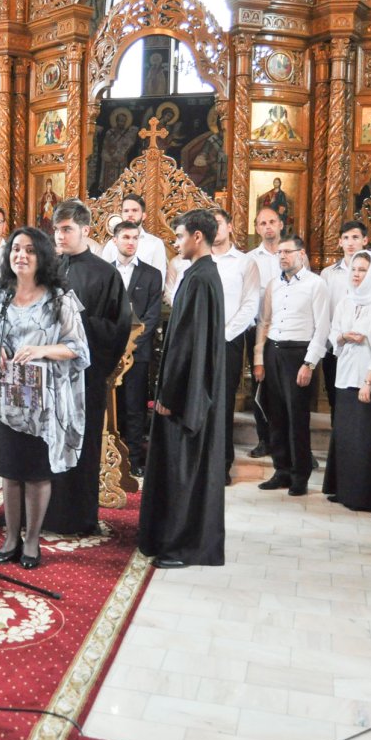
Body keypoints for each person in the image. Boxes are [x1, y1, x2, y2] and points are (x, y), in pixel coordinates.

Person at [0, 227, 89, 569]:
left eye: (29, 251)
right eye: (16, 249)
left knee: (36, 473)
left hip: (43, 401)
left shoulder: (59, 299)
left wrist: (42, 350)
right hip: (6, 397)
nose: (21, 255)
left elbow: (78, 349)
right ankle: (10, 537)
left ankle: (33, 540)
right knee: (9, 470)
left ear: (42, 257)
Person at [139, 209, 227, 568]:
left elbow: (188, 345)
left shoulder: (201, 279)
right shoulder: (201, 275)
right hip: (190, 391)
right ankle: (172, 539)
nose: (176, 244)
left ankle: (180, 545)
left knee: (182, 470)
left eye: (179, 237)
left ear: (197, 237)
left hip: (187, 396)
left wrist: (170, 397)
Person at [49, 199, 132, 534]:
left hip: (85, 376)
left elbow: (118, 328)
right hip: (48, 376)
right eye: (56, 229)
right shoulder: (46, 269)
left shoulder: (105, 273)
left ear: (85, 230)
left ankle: (77, 518)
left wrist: (78, 320)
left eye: (67, 229)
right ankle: (43, 514)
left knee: (79, 447)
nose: (59, 236)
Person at [253, 235, 330, 496]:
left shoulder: (315, 284)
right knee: (276, 416)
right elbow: (265, 322)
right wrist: (260, 359)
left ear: (301, 253)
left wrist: (309, 363)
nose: (283, 256)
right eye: (279, 253)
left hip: (298, 354)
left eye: (288, 252)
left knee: (297, 418)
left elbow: (322, 328)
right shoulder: (275, 284)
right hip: (274, 350)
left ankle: (300, 474)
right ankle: (281, 470)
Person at [321, 251, 371, 511]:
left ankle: (366, 495)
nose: (356, 274)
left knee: (366, 439)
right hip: (345, 376)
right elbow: (333, 335)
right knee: (346, 437)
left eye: (363, 270)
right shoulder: (346, 301)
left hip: (369, 381)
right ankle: (344, 489)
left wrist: (369, 380)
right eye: (354, 269)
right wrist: (344, 336)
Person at [210, 210, 262, 482]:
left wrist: (225, 334)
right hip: (199, 341)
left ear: (230, 226)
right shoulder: (198, 259)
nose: (214, 229)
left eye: (218, 224)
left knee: (222, 403)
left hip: (228, 342)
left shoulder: (245, 263)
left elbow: (250, 304)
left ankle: (222, 466)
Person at [109, 220, 162, 478]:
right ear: (115, 240)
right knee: (111, 407)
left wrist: (130, 346)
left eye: (135, 237)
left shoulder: (152, 274)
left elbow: (152, 317)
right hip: (109, 354)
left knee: (135, 407)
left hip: (138, 355)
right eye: (126, 237)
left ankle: (133, 459)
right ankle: (109, 457)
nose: (130, 242)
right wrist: (113, 345)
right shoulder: (105, 271)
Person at [319, 221, 369, 416]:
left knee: (357, 396)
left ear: (365, 240)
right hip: (335, 342)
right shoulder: (328, 274)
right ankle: (336, 440)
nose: (350, 243)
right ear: (339, 242)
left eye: (355, 237)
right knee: (335, 394)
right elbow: (323, 311)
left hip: (362, 343)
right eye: (346, 238)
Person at [246, 206, 283, 458]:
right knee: (260, 383)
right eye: (263, 223)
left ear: (281, 224)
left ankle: (286, 440)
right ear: (257, 228)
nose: (268, 227)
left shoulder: (292, 253)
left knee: (286, 386)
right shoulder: (251, 259)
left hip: (288, 331)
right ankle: (264, 439)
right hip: (259, 330)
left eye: (272, 221)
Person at [99, 193, 170, 282]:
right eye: (126, 211)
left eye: (134, 210)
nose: (130, 214)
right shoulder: (112, 244)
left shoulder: (155, 244)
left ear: (143, 215)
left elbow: (159, 280)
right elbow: (102, 276)